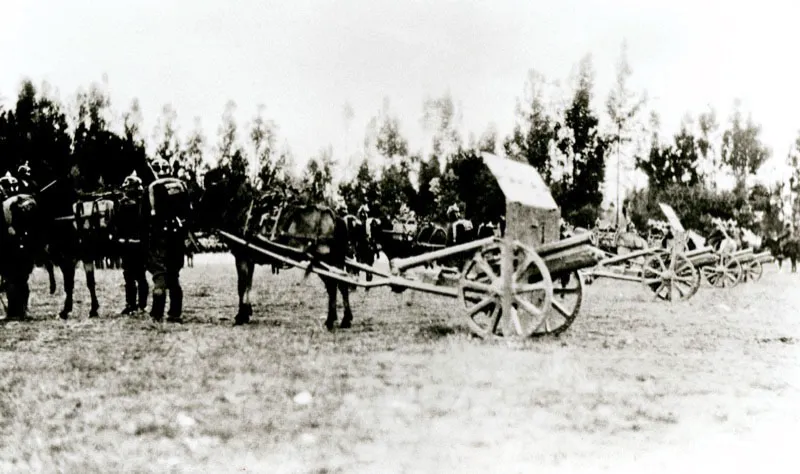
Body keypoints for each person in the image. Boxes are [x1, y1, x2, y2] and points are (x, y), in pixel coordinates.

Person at [144, 158, 191, 323]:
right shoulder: (181, 185)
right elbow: (188, 213)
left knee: (159, 275)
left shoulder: (152, 188)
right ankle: (175, 312)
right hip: (177, 238)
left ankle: (157, 313)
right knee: (174, 276)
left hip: (159, 237)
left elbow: (144, 217)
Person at [114, 171, 149, 315]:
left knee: (134, 276)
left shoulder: (131, 204)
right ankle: (136, 304)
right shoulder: (140, 204)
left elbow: (117, 223)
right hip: (134, 244)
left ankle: (135, 304)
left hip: (133, 244)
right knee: (135, 276)